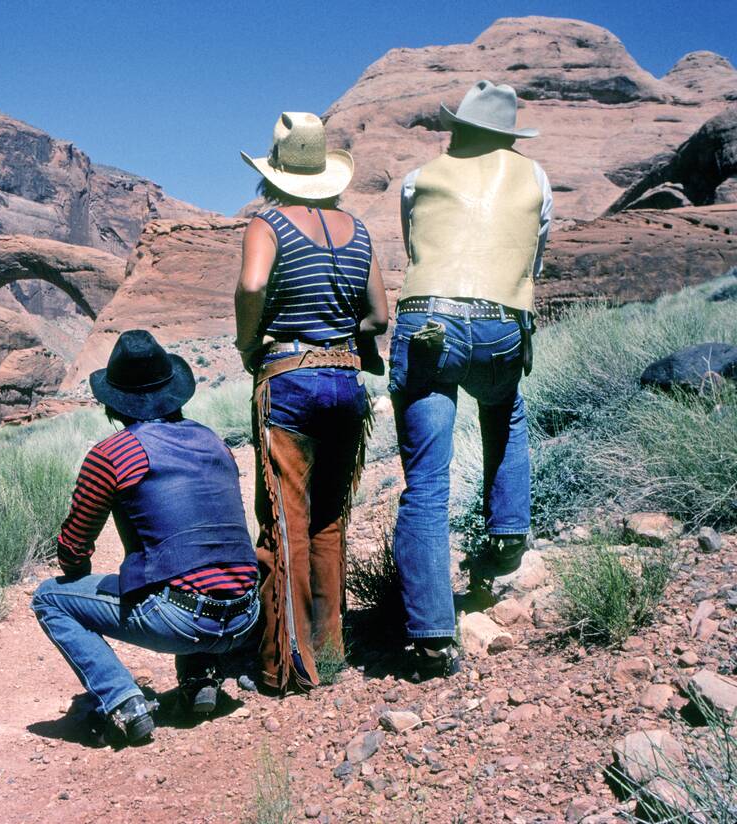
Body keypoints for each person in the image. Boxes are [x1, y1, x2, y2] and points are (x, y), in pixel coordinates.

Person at [390, 80, 553, 678]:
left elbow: (416, 246)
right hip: (500, 323)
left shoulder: (418, 177)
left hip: (429, 319)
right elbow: (535, 256)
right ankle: (508, 533)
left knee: (426, 483)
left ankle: (432, 639)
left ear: (457, 127)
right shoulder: (534, 177)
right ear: (509, 135)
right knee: (505, 408)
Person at [31, 330, 260, 746]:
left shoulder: (114, 453)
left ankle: (123, 701)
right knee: (195, 560)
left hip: (181, 619)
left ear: (113, 401)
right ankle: (200, 680)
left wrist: (78, 576)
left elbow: (74, 546)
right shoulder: (213, 441)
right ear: (174, 390)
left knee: (49, 598)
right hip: (245, 614)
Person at [235, 112, 389, 693]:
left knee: (283, 523)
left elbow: (252, 287)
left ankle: (283, 668)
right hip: (347, 382)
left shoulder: (266, 224)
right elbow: (378, 315)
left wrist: (251, 340)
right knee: (329, 521)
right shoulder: (359, 230)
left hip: (289, 382)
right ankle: (329, 652)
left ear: (274, 172)